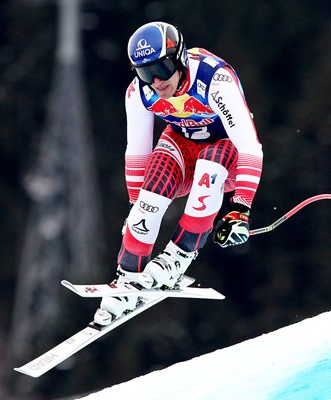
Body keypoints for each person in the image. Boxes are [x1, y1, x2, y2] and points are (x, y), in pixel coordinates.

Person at [94, 21, 263, 325]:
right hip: (183, 143)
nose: (157, 81)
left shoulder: (214, 79)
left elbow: (250, 146)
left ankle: (178, 257)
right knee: (150, 197)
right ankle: (127, 276)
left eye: (162, 68)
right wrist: (135, 211)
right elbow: (138, 152)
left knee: (210, 166)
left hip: (228, 151)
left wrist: (240, 208)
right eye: (145, 72)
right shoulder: (139, 93)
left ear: (180, 58)